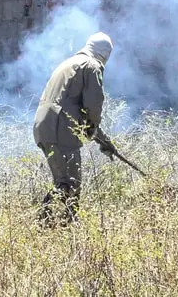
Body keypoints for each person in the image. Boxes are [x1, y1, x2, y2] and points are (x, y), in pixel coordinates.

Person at [32, 32, 118, 225]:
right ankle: (58, 225)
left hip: (44, 127)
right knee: (70, 184)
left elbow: (74, 110)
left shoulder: (69, 63)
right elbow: (93, 106)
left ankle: (52, 225)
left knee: (63, 181)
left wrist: (104, 141)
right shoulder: (92, 66)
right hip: (60, 127)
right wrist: (94, 131)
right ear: (105, 53)